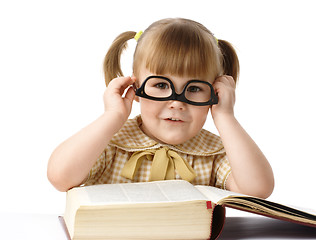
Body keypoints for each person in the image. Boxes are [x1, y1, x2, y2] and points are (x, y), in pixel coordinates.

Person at [47, 18, 274, 198]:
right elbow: (60, 177)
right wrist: (112, 116)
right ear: (135, 88)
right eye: (161, 85)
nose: (177, 102)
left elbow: (257, 190)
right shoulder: (111, 143)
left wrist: (226, 117)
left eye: (194, 88)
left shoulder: (213, 154)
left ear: (214, 94)